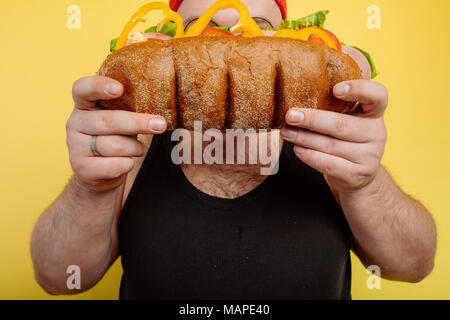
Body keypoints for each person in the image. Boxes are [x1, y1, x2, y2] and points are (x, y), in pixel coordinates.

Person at [30, 0, 436, 299]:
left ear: (288, 39)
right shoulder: (133, 144)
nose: (231, 40)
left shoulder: (334, 150)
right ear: (168, 41)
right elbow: (59, 278)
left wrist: (366, 185)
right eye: (199, 26)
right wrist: (91, 186)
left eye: (256, 26)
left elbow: (413, 267)